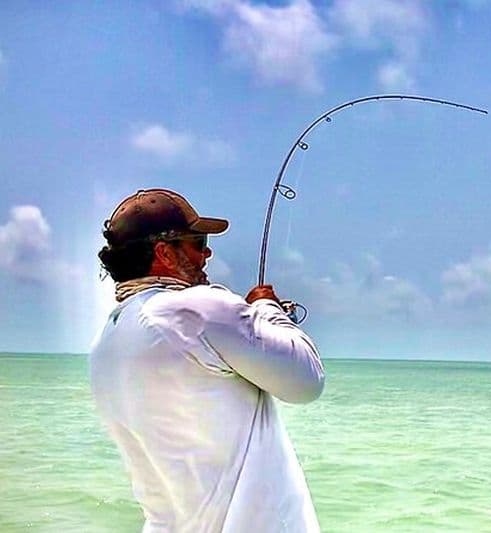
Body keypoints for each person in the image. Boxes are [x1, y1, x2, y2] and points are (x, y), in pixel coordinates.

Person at [90, 188, 324, 533]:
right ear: (164, 253)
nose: (207, 252)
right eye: (197, 243)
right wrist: (266, 309)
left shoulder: (104, 346)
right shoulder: (197, 309)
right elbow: (307, 380)